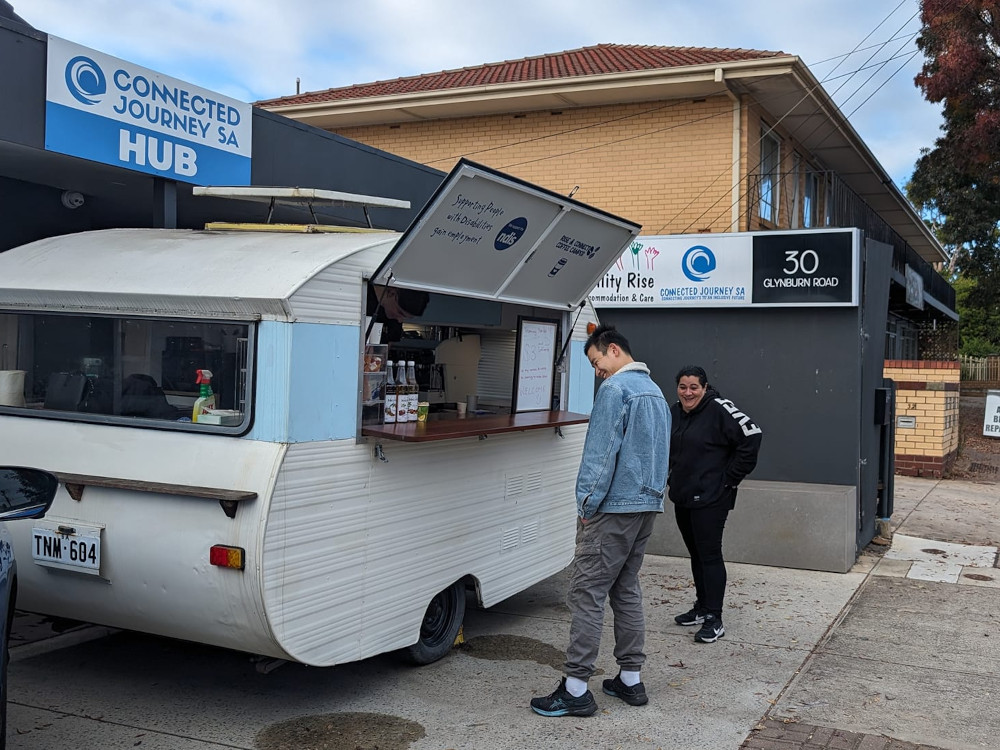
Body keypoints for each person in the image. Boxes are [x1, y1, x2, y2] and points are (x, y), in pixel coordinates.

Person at [530, 324, 670, 717]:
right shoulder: (656, 391)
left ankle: (575, 688)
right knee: (626, 589)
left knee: (586, 594)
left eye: (596, 362)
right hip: (646, 507)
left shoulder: (616, 391)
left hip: (613, 510)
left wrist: (586, 504)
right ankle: (630, 679)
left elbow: (601, 453)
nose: (597, 372)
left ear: (612, 350)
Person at [668, 365, 762, 644]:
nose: (688, 393)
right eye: (683, 387)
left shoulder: (719, 409)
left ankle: (714, 618)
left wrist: (728, 480)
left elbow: (753, 435)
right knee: (696, 555)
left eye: (694, 387)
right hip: (683, 496)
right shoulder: (675, 411)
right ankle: (701, 607)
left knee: (709, 555)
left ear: (705, 388)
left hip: (711, 498)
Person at [366, 281, 430, 343]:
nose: (400, 320)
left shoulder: (392, 317)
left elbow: (391, 340)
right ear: (392, 293)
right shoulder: (364, 290)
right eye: (400, 313)